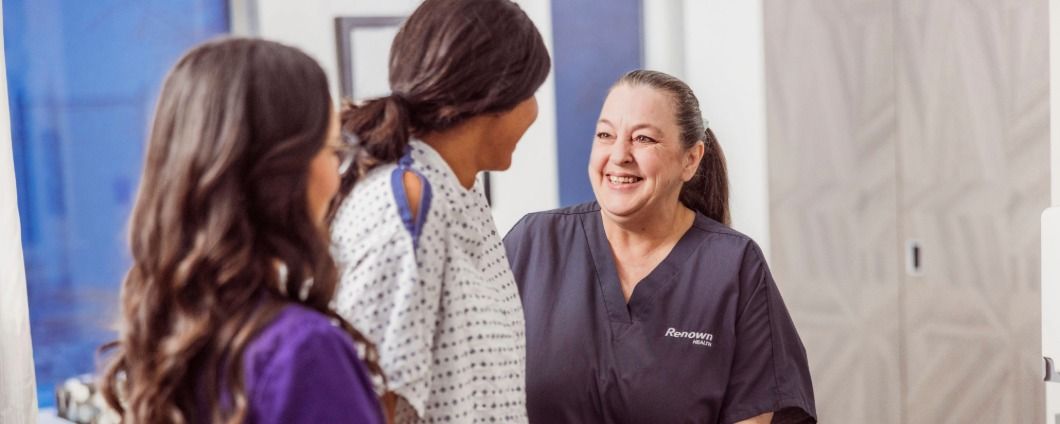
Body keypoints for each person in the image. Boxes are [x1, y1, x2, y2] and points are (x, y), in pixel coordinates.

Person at [503, 70, 817, 423]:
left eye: (643, 139)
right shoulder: (533, 245)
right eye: (605, 135)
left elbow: (757, 414)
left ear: (691, 159)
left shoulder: (733, 266)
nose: (619, 154)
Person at [98, 38, 385, 424]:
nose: (337, 177)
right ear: (282, 174)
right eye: (333, 150)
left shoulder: (167, 341)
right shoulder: (303, 352)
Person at [328, 0, 550, 422]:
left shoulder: (462, 190)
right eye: (532, 92)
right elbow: (365, 399)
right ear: (496, 95)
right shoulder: (408, 206)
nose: (535, 113)